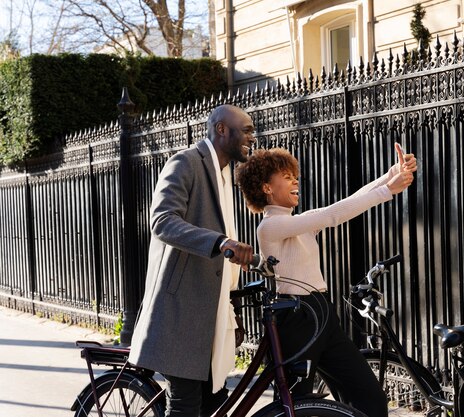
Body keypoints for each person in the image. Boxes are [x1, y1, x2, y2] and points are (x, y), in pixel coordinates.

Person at [234, 143, 417, 416]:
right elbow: (332, 215)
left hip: (322, 313)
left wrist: (390, 175)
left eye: (294, 175)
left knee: (370, 400)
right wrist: (388, 189)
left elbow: (340, 206)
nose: (295, 180)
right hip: (296, 318)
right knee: (298, 406)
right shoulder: (270, 226)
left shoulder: (299, 221)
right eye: (286, 177)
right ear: (266, 188)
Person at [128, 104, 256, 417]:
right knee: (185, 407)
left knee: (213, 403)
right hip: (180, 315)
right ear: (222, 129)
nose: (253, 137)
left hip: (210, 315)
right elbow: (162, 221)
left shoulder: (226, 175)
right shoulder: (186, 162)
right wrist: (220, 242)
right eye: (247, 129)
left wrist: (232, 312)